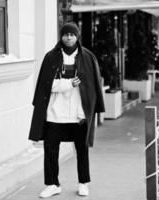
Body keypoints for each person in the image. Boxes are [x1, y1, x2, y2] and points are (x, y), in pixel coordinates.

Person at [28, 22, 105, 198]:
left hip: (78, 114)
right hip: (55, 113)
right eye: (65, 34)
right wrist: (68, 83)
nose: (69, 37)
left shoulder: (87, 57)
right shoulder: (51, 57)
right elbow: (45, 86)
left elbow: (93, 86)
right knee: (50, 149)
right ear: (61, 36)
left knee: (82, 150)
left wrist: (93, 108)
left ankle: (83, 183)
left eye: (72, 34)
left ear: (77, 36)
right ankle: (52, 184)